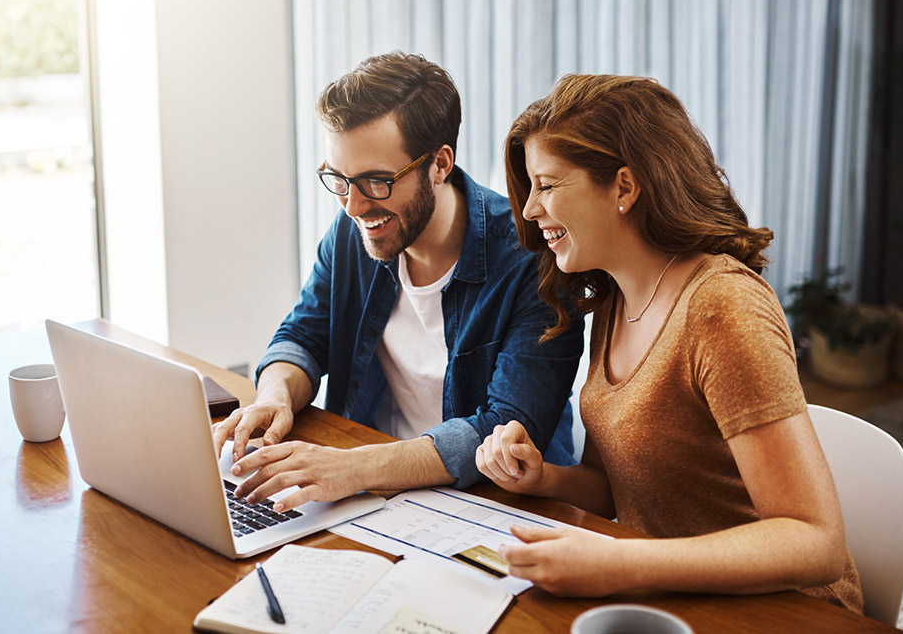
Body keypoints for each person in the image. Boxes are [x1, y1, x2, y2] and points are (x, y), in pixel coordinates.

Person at [476, 74, 862, 611]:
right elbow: (619, 488)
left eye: (547, 185)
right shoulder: (615, 300)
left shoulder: (721, 306)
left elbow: (814, 543)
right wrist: (545, 478)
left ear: (624, 188)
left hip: (787, 611)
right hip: (675, 598)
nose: (529, 210)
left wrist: (615, 564)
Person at [212, 51, 583, 513]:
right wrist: (276, 395)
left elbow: (506, 426)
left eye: (376, 182)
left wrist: (353, 468)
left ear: (440, 164)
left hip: (496, 507)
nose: (353, 207)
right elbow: (302, 336)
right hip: (373, 494)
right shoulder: (358, 231)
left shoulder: (530, 257)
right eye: (340, 180)